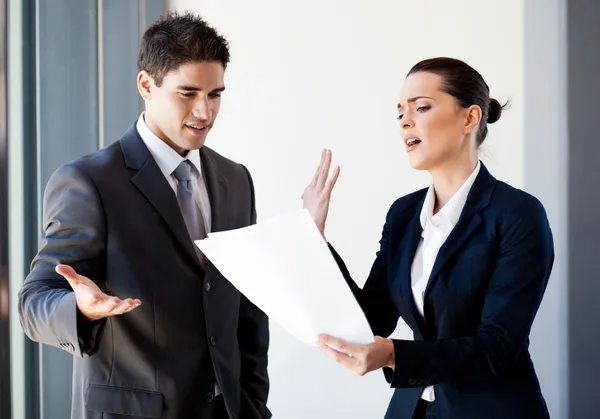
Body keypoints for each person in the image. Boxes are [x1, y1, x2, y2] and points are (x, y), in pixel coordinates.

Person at [18, 12, 270, 419]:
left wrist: (254, 407)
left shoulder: (236, 180)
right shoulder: (89, 182)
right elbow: (34, 303)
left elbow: (248, 312)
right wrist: (79, 309)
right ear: (146, 85)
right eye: (187, 94)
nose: (205, 113)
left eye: (215, 94)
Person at [302, 57, 554, 419]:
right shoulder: (403, 214)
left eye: (421, 107)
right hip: (412, 409)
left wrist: (393, 355)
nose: (405, 120)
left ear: (470, 118)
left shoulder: (517, 214)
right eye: (400, 112)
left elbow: (497, 347)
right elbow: (373, 319)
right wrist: (315, 239)